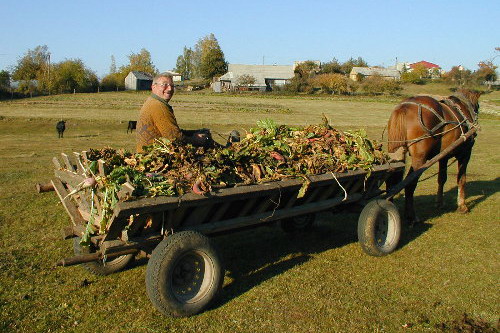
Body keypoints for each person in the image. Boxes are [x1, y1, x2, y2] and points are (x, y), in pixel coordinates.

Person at [136, 72, 210, 152]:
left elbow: (171, 131)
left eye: (172, 85)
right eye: (164, 85)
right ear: (153, 87)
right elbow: (174, 138)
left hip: (147, 154)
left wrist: (194, 132)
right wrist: (196, 139)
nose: (170, 89)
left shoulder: (152, 101)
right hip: (153, 156)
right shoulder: (158, 106)